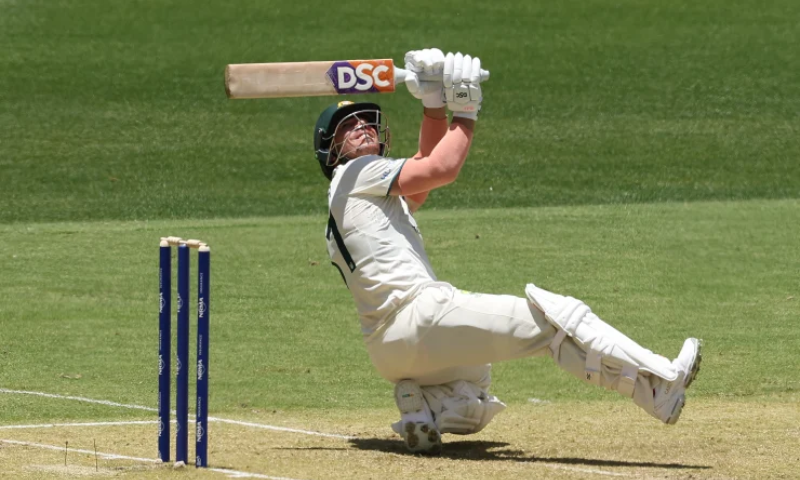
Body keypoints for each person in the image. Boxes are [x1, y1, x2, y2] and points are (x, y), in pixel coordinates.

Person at [313, 48, 702, 454]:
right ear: (331, 149)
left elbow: (423, 175)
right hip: (419, 315)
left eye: (365, 120)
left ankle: (421, 405)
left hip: (389, 352)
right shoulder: (357, 173)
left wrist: (433, 105)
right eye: (346, 126)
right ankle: (658, 384)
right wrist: (465, 110)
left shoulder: (355, 199)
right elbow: (441, 168)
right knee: (554, 319)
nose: (360, 126)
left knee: (476, 376)